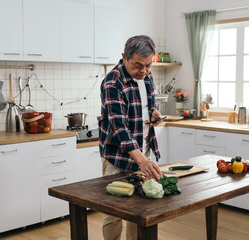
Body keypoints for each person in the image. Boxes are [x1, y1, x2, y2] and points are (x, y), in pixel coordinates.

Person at [98, 35, 163, 240]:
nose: (143, 71)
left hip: (142, 150)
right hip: (117, 157)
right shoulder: (112, 82)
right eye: (137, 65)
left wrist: (154, 113)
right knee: (114, 211)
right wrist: (142, 160)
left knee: (138, 210)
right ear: (124, 57)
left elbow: (149, 104)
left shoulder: (146, 76)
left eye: (148, 65)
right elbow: (119, 128)